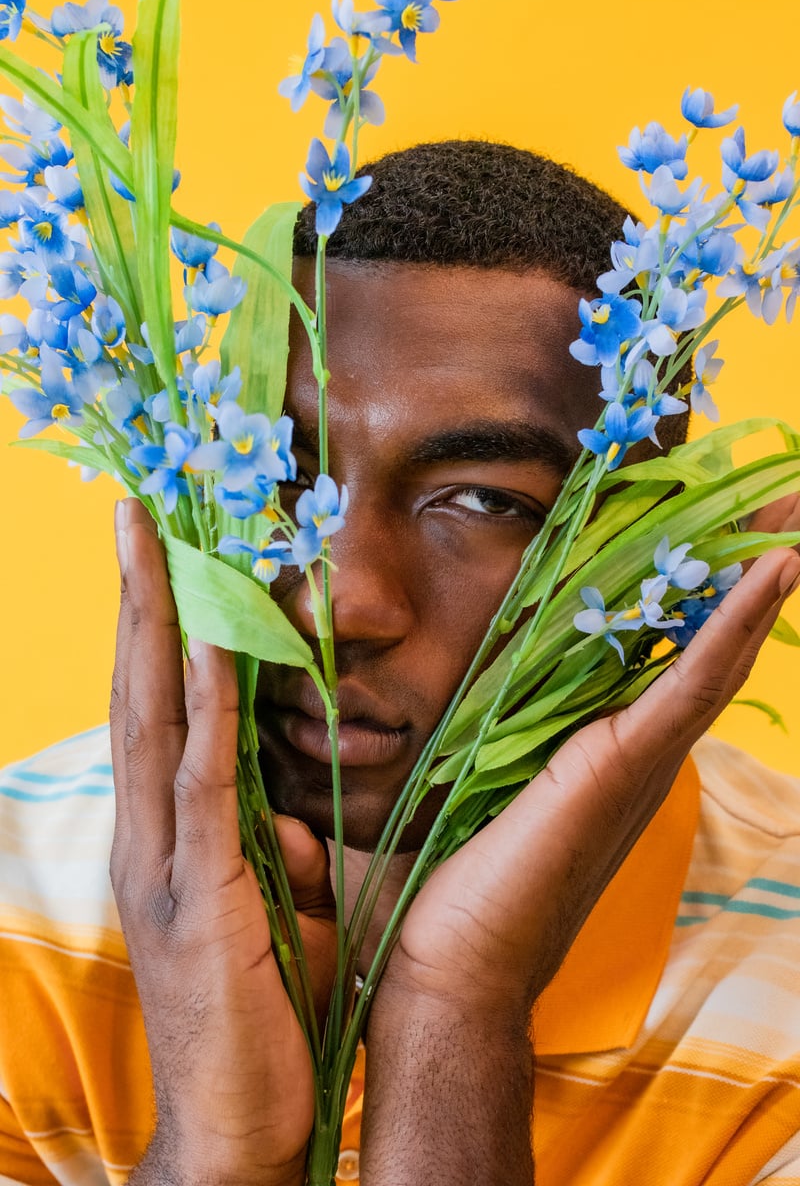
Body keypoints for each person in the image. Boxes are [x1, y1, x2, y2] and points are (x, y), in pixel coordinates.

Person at [1, 140, 800, 1186]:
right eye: (279, 478)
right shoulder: (19, 903)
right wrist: (216, 1153)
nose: (334, 602)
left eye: (482, 501)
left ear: (648, 547)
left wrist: (453, 1017)